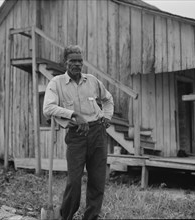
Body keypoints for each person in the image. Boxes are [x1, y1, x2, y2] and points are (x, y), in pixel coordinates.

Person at [43, 45, 114, 220]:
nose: (77, 64)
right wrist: (74, 115)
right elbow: (48, 108)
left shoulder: (92, 81)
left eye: (80, 61)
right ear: (64, 62)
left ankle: (91, 217)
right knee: (74, 182)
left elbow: (108, 99)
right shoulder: (56, 83)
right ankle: (66, 216)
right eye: (73, 61)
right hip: (77, 135)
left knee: (97, 181)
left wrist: (107, 116)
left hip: (97, 132)